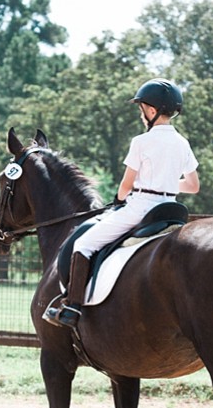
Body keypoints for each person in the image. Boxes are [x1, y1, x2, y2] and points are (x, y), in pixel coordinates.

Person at [43, 78, 200, 327]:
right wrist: (168, 184)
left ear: (151, 110)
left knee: (83, 244)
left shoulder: (141, 142)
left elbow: (126, 186)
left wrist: (119, 199)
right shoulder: (183, 143)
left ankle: (72, 308)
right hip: (171, 209)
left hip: (141, 207)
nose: (141, 115)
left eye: (141, 109)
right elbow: (193, 186)